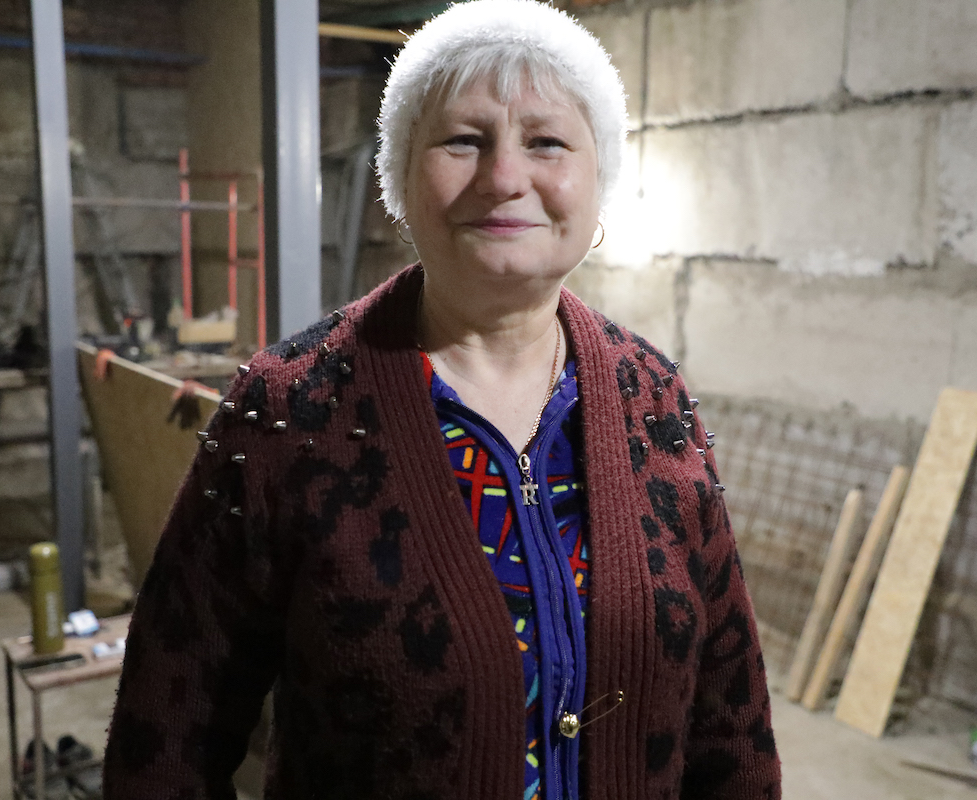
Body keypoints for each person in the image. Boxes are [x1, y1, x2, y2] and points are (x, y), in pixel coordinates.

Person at [103, 1, 781, 798]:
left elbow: (731, 723)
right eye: (464, 140)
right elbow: (166, 738)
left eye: (547, 142)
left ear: (598, 182)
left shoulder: (656, 400)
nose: (504, 178)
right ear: (400, 176)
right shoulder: (287, 413)